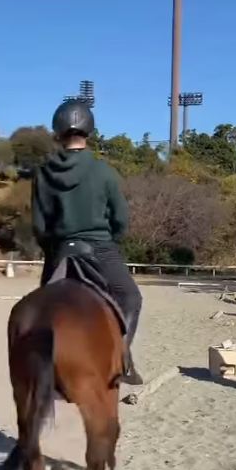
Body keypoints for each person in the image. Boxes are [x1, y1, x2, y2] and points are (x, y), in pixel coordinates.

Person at [31, 99, 144, 385]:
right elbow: (120, 218)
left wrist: (52, 250)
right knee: (131, 297)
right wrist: (111, 241)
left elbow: (39, 224)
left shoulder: (43, 174)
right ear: (89, 131)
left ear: (58, 131)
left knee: (41, 311)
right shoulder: (104, 171)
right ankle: (120, 359)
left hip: (60, 251)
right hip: (99, 249)